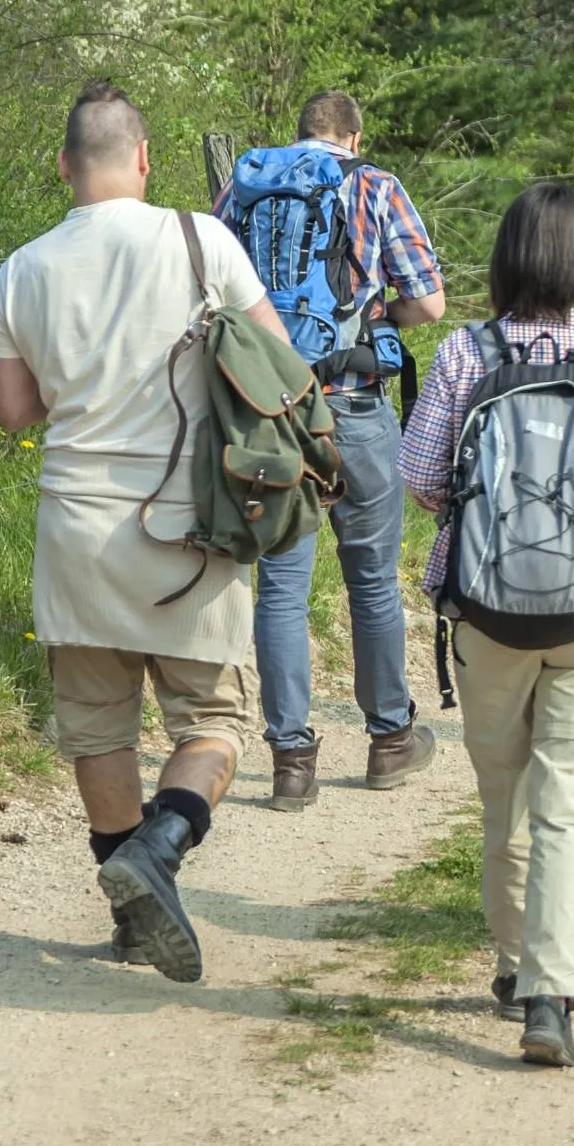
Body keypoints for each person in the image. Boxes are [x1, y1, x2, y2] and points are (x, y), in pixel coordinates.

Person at [0, 81, 286, 983]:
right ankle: (161, 845)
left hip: (76, 527)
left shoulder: (22, 268)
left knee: (97, 726)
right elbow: (277, 367)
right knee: (217, 718)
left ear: (65, 166)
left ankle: (126, 906)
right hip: (185, 531)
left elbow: (12, 411)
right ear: (145, 157)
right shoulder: (203, 239)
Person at [399, 181, 574, 1069]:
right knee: (570, 807)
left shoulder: (461, 354)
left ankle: (519, 963)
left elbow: (424, 480)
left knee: (504, 800)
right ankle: (550, 998)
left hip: (485, 616)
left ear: (508, 256)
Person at [216, 90, 449, 810]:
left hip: (273, 409)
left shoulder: (246, 184)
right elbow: (430, 302)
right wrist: (379, 312)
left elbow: (218, 292)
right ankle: (389, 740)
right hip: (353, 403)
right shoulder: (375, 184)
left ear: (299, 133)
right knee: (371, 578)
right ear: (354, 134)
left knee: (281, 585)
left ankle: (291, 760)